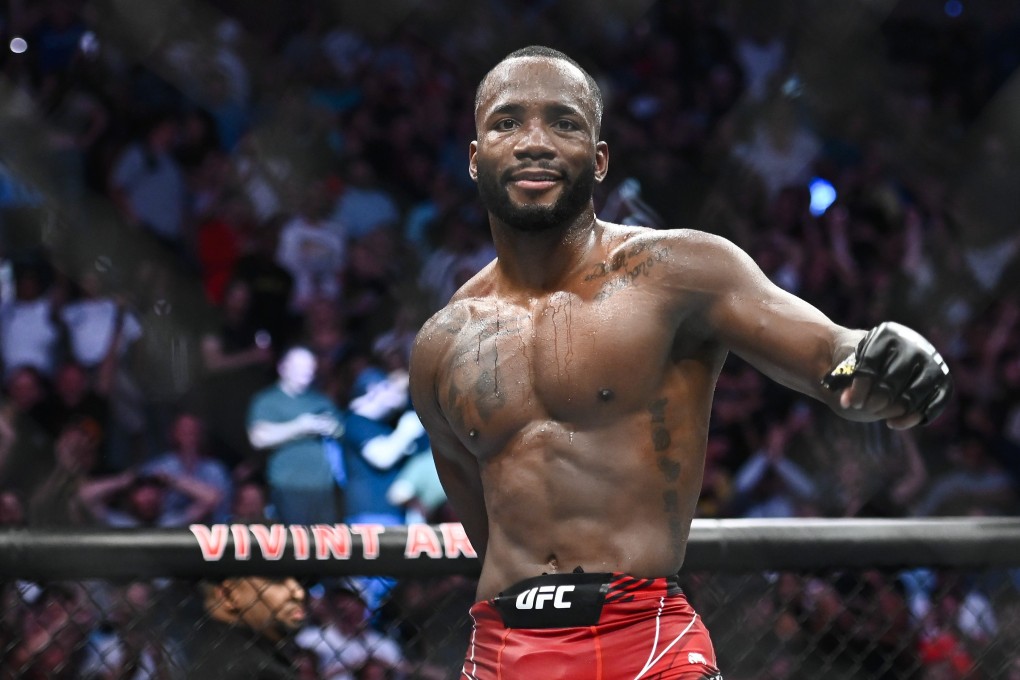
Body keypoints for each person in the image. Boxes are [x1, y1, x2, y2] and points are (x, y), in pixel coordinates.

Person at [407, 46, 954, 680]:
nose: (534, 142)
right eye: (507, 122)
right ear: (474, 161)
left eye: (563, 122)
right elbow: (484, 523)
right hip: (504, 649)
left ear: (601, 158)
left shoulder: (677, 272)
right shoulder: (441, 344)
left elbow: (827, 352)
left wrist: (872, 359)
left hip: (646, 642)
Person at [247, 346, 346, 524]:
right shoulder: (267, 400)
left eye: (310, 366)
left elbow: (341, 430)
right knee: (296, 546)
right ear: (283, 368)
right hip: (289, 487)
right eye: (300, 366)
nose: (307, 371)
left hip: (324, 488)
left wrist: (332, 428)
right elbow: (258, 438)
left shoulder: (321, 399)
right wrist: (300, 426)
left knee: (326, 546)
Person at [186, 576, 307, 679]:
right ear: (229, 596)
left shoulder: (212, 649)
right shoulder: (250, 670)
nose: (299, 593)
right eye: (276, 580)